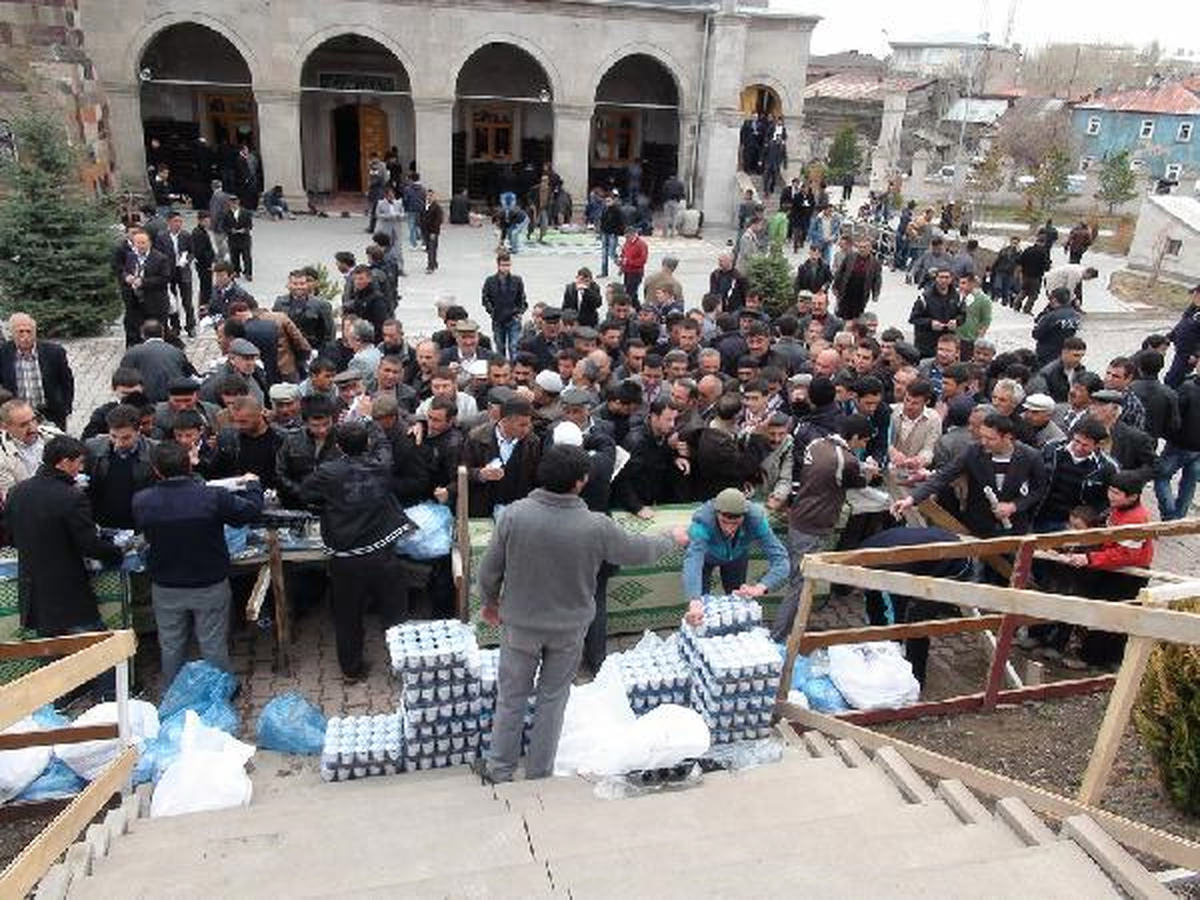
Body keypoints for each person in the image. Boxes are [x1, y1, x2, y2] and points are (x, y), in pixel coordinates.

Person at [474, 444, 686, 783]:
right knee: (553, 700)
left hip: (520, 626)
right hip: (570, 629)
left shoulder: (514, 515)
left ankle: (499, 769)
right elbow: (638, 551)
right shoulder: (595, 526)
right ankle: (539, 775)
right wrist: (670, 538)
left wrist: (489, 603)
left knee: (511, 697)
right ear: (581, 482)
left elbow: (488, 571)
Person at [133, 441, 264, 685]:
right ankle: (220, 693)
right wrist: (253, 485)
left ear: (156, 470)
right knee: (212, 643)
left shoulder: (142, 500)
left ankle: (176, 694)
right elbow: (250, 513)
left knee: (171, 645)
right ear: (189, 465)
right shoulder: (212, 497)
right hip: (209, 582)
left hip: (166, 584)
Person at [300, 421, 415, 681]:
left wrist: (331, 502)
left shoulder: (329, 472)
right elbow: (385, 445)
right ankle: (405, 666)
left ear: (338, 446)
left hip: (346, 558)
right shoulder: (382, 465)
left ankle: (351, 670)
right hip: (382, 553)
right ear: (367, 444)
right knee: (395, 612)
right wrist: (369, 421)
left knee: (348, 614)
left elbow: (305, 492)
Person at [5, 436, 124, 649]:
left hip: (35, 594)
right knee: (96, 653)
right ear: (64, 462)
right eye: (78, 462)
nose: (80, 468)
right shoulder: (71, 497)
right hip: (69, 595)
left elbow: (11, 535)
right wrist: (116, 552)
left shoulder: (17, 492)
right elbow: (88, 544)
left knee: (51, 659)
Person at [772, 415, 877, 642]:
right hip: (815, 524)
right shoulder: (846, 459)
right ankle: (778, 636)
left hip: (800, 515)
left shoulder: (817, 444)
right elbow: (858, 482)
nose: (863, 445)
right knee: (800, 584)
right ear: (856, 437)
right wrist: (868, 472)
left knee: (799, 580)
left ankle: (793, 625)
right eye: (863, 441)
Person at [894, 413, 1047, 540]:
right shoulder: (973, 451)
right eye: (982, 437)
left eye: (990, 439)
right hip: (979, 526)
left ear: (1008, 437)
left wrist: (1013, 506)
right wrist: (911, 499)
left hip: (1015, 528)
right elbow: (943, 477)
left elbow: (1038, 490)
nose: (984, 442)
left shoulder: (1031, 456)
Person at [681, 487, 789, 612]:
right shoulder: (703, 522)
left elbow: (781, 560)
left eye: (735, 523)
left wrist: (761, 586)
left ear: (744, 516)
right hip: (706, 557)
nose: (729, 529)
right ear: (716, 514)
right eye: (724, 522)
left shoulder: (756, 519)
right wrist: (694, 599)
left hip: (736, 556)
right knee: (701, 604)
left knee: (738, 602)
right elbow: (693, 561)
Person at [84, 404, 157, 529]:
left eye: (126, 438)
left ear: (139, 431)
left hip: (138, 523)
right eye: (113, 436)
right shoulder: (93, 448)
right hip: (102, 521)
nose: (118, 443)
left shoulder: (155, 452)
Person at [0, 313, 75, 430]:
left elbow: (67, 382)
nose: (25, 336)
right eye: (20, 332)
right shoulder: (3, 354)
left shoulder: (54, 352)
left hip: (49, 414)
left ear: (35, 332)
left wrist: (66, 408)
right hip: (17, 416)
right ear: (12, 333)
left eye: (29, 331)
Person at [0, 398, 63, 502]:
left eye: (34, 420)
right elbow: (12, 498)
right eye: (23, 425)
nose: (32, 427)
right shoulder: (2, 456)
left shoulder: (55, 436)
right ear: (5, 427)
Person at [121, 229, 172, 347]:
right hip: (135, 301)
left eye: (143, 243)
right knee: (135, 328)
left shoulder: (160, 258)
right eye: (138, 243)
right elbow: (125, 271)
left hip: (154, 302)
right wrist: (126, 277)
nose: (140, 246)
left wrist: (143, 282)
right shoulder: (131, 257)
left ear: (149, 243)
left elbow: (164, 278)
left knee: (156, 330)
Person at [154, 210, 196, 337]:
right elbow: (158, 254)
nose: (178, 224)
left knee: (187, 301)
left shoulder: (186, 235)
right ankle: (175, 326)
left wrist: (186, 260)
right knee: (172, 301)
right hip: (169, 272)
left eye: (180, 221)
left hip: (183, 271)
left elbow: (192, 252)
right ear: (169, 222)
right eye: (175, 221)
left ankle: (190, 326)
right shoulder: (161, 236)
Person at [482, 253, 527, 360]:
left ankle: (514, 367)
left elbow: (522, 298)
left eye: (508, 265)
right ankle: (502, 367)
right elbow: (485, 298)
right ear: (498, 265)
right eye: (503, 265)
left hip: (513, 318)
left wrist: (519, 313)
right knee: (500, 346)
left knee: (514, 346)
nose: (506, 268)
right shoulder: (490, 281)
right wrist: (492, 312)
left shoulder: (517, 280)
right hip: (498, 318)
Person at [831, 239, 882, 321]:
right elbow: (840, 272)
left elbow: (877, 280)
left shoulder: (875, 263)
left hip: (862, 291)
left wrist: (875, 293)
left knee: (857, 315)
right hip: (847, 289)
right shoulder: (850, 257)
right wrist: (835, 286)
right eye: (860, 247)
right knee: (842, 312)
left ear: (870, 248)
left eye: (864, 247)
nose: (862, 249)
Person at [221, 194, 254, 281]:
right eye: (231, 203)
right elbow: (223, 226)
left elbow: (250, 225)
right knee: (234, 256)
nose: (233, 204)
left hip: (244, 239)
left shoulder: (246, 212)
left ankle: (248, 273)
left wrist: (245, 230)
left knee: (247, 257)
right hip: (233, 239)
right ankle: (236, 271)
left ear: (238, 202)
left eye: (235, 202)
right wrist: (230, 230)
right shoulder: (226, 214)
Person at [618, 226, 648, 302]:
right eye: (625, 237)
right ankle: (637, 309)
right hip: (627, 272)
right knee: (631, 294)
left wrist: (628, 262)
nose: (626, 239)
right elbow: (623, 255)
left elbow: (642, 260)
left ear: (633, 234)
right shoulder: (627, 243)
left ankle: (631, 310)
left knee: (630, 293)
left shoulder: (641, 245)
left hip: (636, 273)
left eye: (627, 237)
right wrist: (621, 266)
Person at [421, 188, 443, 273]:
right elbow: (421, 217)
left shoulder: (437, 207)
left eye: (431, 196)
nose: (429, 197)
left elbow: (438, 221)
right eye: (427, 196)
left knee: (432, 248)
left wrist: (434, 232)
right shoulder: (423, 205)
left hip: (432, 231)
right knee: (429, 248)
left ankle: (430, 266)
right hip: (425, 230)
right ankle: (434, 262)